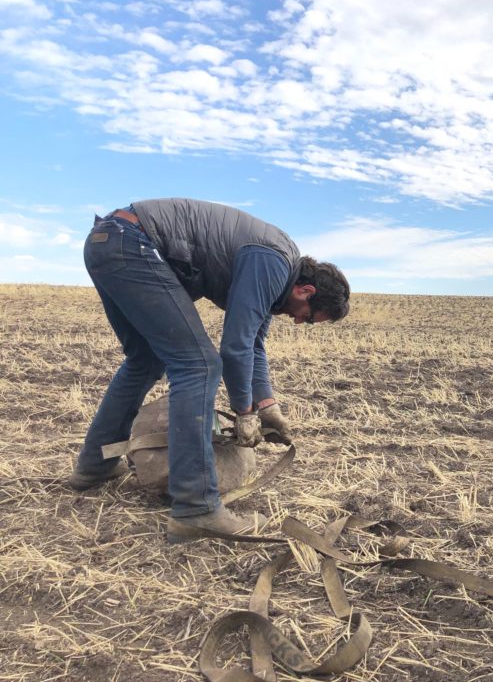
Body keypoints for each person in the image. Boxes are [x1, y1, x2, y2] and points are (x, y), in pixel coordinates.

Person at [67, 198, 350, 541]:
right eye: (306, 315)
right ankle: (196, 509)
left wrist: (267, 407)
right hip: (134, 243)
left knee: (145, 360)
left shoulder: (275, 273)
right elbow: (234, 347)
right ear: (306, 290)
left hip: (109, 243)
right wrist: (243, 412)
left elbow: (253, 345)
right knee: (199, 366)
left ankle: (94, 466)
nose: (298, 321)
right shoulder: (273, 261)